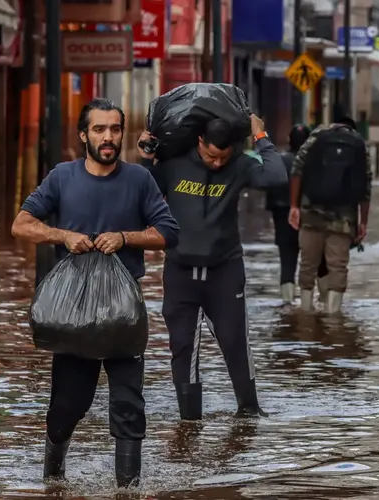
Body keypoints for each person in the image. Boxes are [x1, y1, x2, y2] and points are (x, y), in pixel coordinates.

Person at [10, 98, 180, 488]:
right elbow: (21, 225)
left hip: (123, 312)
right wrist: (62, 235)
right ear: (84, 134)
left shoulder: (139, 179)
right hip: (72, 314)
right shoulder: (62, 177)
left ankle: (128, 489)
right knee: (68, 405)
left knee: (128, 404)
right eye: (100, 130)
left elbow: (168, 232)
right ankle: (53, 478)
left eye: (115, 130)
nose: (108, 137)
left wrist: (125, 238)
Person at [138, 114, 286, 421]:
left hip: (225, 270)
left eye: (223, 157)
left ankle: (248, 412)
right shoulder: (174, 163)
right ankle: (189, 420)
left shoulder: (241, 165)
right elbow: (140, 191)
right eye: (210, 155)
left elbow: (276, 178)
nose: (216, 163)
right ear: (199, 142)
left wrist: (261, 137)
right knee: (183, 346)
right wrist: (146, 157)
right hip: (180, 270)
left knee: (235, 342)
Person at [289, 116, 371, 314]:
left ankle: (305, 312)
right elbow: (366, 186)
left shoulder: (317, 136)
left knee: (308, 264)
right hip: (344, 218)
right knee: (338, 266)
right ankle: (333, 316)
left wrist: (294, 206)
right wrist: (363, 222)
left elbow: (297, 170)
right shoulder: (359, 143)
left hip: (311, 213)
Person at [266, 124, 329, 304]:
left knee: (287, 260)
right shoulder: (317, 162)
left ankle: (287, 303)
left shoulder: (279, 161)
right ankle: (324, 302)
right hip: (311, 215)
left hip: (282, 215)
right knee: (318, 261)